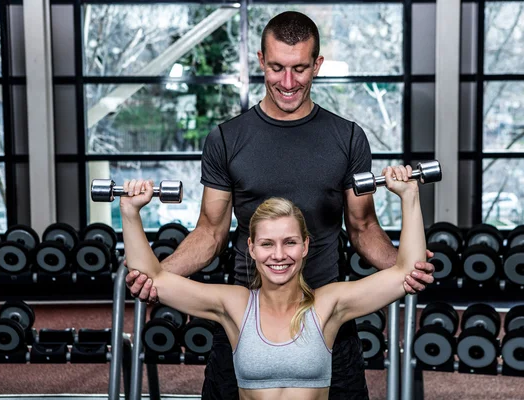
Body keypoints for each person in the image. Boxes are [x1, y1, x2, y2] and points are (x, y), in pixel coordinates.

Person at [126, 11, 435, 399]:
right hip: (247, 315)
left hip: (325, 313)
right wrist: (158, 276)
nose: (287, 82)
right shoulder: (227, 139)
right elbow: (210, 231)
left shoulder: (347, 138)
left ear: (317, 65)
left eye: (300, 69)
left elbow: (363, 227)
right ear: (261, 61)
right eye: (277, 68)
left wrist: (403, 269)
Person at [121, 165, 425, 400]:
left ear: (305, 246)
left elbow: (406, 274)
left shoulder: (328, 304)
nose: (279, 255)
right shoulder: (235, 306)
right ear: (251, 248)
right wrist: (130, 212)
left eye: (289, 242)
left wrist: (409, 195)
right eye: (267, 244)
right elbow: (153, 279)